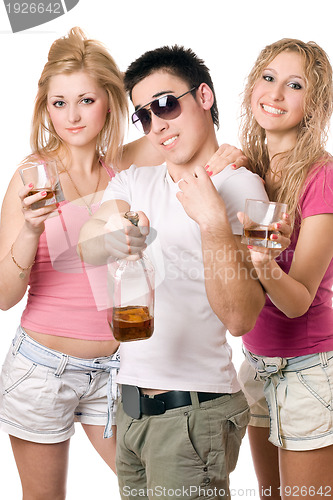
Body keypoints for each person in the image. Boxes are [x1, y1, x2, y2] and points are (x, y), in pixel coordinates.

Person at [0, 28, 250, 499]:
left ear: (110, 104)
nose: (72, 116)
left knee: (161, 484)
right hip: (42, 369)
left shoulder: (126, 166)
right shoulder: (31, 176)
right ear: (45, 108)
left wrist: (236, 153)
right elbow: (4, 296)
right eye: (58, 103)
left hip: (116, 371)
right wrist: (32, 230)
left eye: (85, 101)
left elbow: (193, 137)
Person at [79, 45, 290, 500]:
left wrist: (213, 222)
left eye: (166, 104)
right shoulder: (136, 181)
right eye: (145, 116)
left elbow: (240, 318)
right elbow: (88, 244)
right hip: (130, 411)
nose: (158, 125)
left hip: (193, 414)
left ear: (205, 97)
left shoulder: (243, 189)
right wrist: (118, 235)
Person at [234, 39, 333, 500]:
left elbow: (298, 302)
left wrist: (263, 261)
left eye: (294, 85)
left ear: (313, 105)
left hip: (308, 368)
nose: (275, 93)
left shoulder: (321, 176)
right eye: (269, 78)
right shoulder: (249, 168)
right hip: (255, 361)